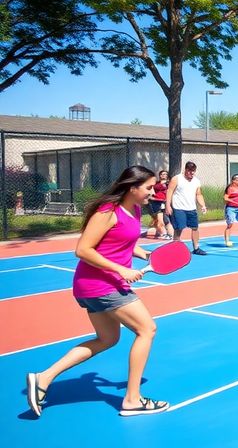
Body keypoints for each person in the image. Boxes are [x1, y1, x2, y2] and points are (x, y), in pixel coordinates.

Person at [26, 165, 169, 417]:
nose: (152, 192)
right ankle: (132, 400)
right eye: (148, 187)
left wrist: (142, 253)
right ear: (132, 187)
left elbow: (121, 242)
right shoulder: (108, 212)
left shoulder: (134, 210)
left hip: (96, 286)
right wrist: (122, 270)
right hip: (100, 284)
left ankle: (43, 378)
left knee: (107, 339)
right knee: (147, 329)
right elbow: (83, 250)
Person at [165, 161, 207, 255]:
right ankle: (175, 248)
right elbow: (169, 191)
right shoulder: (177, 179)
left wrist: (203, 205)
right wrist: (168, 206)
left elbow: (199, 194)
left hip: (191, 208)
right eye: (190, 171)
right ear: (186, 169)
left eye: (193, 171)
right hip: (178, 208)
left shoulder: (196, 181)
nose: (192, 173)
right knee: (179, 228)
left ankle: (196, 248)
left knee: (195, 228)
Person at [146, 170, 170, 240]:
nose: (163, 175)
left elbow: (168, 192)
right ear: (159, 175)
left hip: (162, 202)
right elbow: (151, 190)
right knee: (156, 218)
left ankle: (165, 233)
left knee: (162, 219)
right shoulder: (156, 183)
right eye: (162, 174)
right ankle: (160, 232)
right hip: (154, 201)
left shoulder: (168, 183)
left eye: (165, 174)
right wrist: (151, 196)